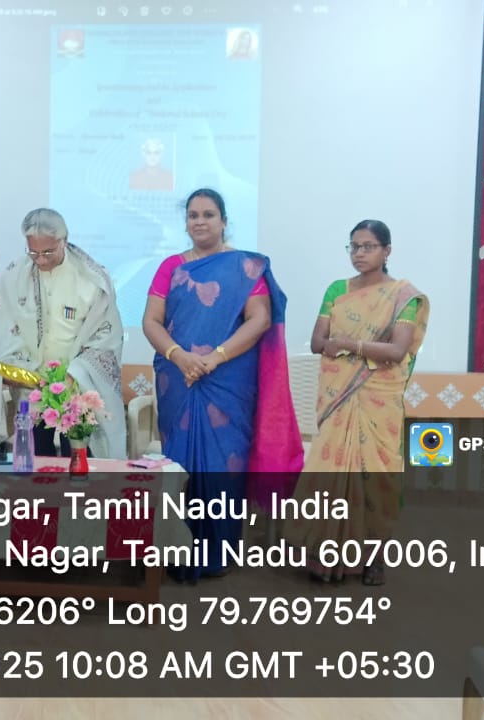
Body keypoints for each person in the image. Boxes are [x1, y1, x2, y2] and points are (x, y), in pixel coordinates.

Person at [142, 188, 303, 581]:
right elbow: (151, 321)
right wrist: (180, 356)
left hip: (227, 379)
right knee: (180, 464)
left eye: (208, 214)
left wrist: (214, 358)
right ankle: (176, 550)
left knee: (224, 463)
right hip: (178, 379)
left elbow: (259, 319)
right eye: (193, 215)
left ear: (224, 221)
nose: (200, 222)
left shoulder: (246, 267)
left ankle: (218, 551)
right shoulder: (171, 266)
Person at [282, 219, 429, 586]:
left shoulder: (403, 296)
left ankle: (374, 559)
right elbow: (318, 342)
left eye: (368, 246)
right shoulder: (337, 289)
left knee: (377, 477)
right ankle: (325, 557)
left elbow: (396, 350)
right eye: (354, 246)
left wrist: (349, 344)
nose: (359, 254)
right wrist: (349, 346)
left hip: (379, 399)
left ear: (387, 251)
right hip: (339, 397)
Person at [0, 208, 126, 458]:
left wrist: (73, 375)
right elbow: (0, 330)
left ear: (63, 241)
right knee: (34, 459)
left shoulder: (92, 280)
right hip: (30, 385)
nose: (41, 260)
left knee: (78, 460)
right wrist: (14, 370)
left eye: (48, 252)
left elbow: (105, 337)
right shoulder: (14, 276)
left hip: (77, 386)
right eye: (33, 252)